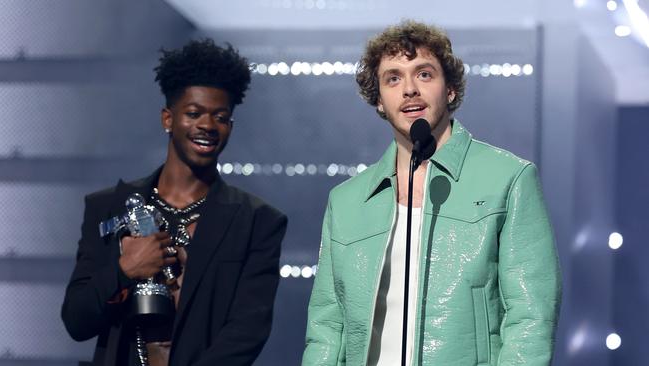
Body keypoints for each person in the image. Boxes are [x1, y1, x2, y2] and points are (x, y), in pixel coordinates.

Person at [303, 20, 561, 366]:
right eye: (393, 78)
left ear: (450, 89)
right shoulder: (346, 201)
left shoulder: (509, 179)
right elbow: (327, 328)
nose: (409, 89)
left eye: (424, 74)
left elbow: (531, 318)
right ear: (379, 100)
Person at [62, 39, 287, 366]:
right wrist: (126, 269)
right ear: (168, 119)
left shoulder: (257, 222)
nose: (207, 126)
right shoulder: (109, 207)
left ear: (230, 126)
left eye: (220, 117)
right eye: (194, 113)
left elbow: (247, 332)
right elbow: (76, 321)